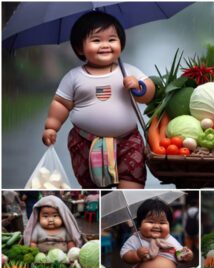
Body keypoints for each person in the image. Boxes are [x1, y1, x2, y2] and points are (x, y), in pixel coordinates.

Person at [42, 11, 155, 189]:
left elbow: (149, 93)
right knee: (93, 187)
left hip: (127, 141)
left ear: (121, 44)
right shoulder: (74, 77)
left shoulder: (128, 72)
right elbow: (61, 103)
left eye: (112, 39)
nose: (105, 45)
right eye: (96, 40)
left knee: (132, 182)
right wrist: (51, 126)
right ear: (79, 48)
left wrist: (139, 87)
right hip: (85, 142)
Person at [120, 198, 193, 268]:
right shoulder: (136, 238)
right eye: (151, 222)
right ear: (139, 225)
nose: (156, 226)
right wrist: (136, 255)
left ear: (169, 225)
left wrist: (186, 255)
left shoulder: (169, 239)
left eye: (162, 223)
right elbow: (124, 255)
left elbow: (179, 255)